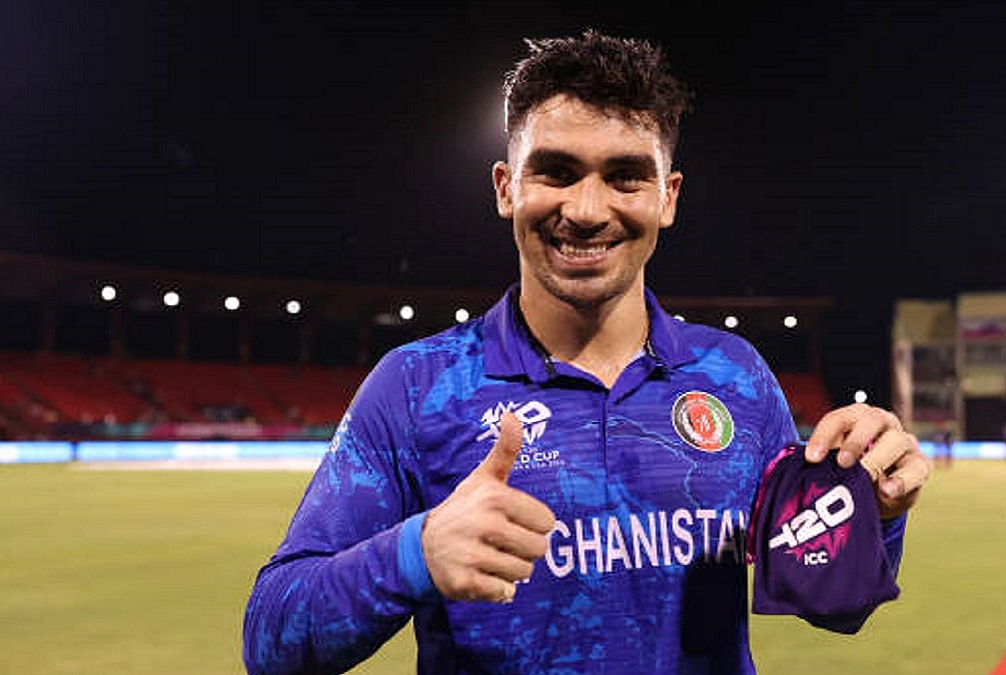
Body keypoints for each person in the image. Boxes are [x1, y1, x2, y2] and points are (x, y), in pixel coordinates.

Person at [242, 29, 931, 675]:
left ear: (668, 197)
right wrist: (413, 556)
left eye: (625, 176)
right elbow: (271, 637)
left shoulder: (736, 377)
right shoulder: (418, 385)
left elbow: (836, 606)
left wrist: (874, 510)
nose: (587, 210)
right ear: (506, 188)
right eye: (557, 172)